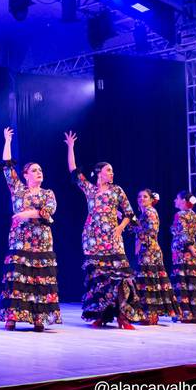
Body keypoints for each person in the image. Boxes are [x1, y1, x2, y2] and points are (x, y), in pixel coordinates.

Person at [64, 131, 143, 329]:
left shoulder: (117, 191)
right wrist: (71, 147)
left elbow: (129, 213)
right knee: (99, 279)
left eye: (112, 171)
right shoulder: (90, 190)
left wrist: (120, 227)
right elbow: (73, 170)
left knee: (120, 277)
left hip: (113, 239)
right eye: (109, 170)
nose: (112, 173)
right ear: (99, 172)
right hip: (93, 239)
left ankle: (123, 317)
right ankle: (101, 315)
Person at [0, 127, 61, 332]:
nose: (39, 172)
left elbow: (49, 211)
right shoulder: (18, 189)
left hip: (41, 241)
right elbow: (7, 166)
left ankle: (39, 318)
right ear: (25, 175)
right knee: (18, 277)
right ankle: (12, 317)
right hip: (20, 239)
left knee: (40, 278)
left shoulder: (48, 193)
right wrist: (7, 141)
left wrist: (28, 213)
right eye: (34, 170)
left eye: (40, 170)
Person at [130, 189, 179, 325]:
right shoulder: (144, 213)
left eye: (145, 197)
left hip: (150, 250)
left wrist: (139, 240)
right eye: (139, 196)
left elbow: (151, 231)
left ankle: (151, 314)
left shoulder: (150, 212)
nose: (141, 199)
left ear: (151, 200)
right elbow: (139, 229)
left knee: (149, 282)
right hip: (146, 249)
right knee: (149, 282)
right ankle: (149, 314)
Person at [170, 190, 196, 323]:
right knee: (193, 281)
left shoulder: (179, 215)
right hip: (192, 254)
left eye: (177, 198)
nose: (175, 201)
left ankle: (185, 314)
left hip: (182, 253)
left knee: (182, 282)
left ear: (183, 201)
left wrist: (193, 250)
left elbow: (183, 233)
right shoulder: (195, 216)